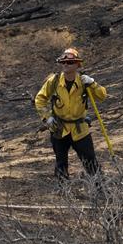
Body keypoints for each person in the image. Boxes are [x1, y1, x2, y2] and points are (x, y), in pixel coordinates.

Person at [34, 48, 108, 181]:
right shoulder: (54, 81)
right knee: (61, 163)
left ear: (77, 65)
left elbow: (102, 96)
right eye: (63, 62)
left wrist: (93, 83)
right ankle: (63, 191)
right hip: (58, 128)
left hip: (80, 130)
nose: (66, 65)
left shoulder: (84, 82)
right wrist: (47, 118)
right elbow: (40, 99)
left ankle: (100, 189)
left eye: (70, 62)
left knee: (90, 162)